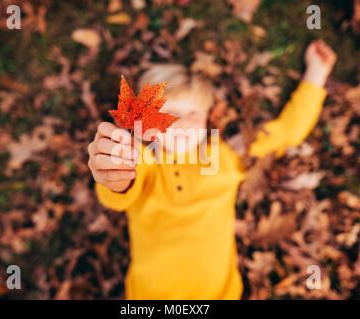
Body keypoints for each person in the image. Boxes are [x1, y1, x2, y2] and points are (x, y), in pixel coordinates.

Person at [87, 39, 337, 299]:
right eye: (168, 113)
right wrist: (113, 172)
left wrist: (316, 75)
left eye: (194, 113)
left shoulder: (225, 156)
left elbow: (287, 132)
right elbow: (117, 190)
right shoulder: (143, 159)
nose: (182, 124)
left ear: (209, 119)